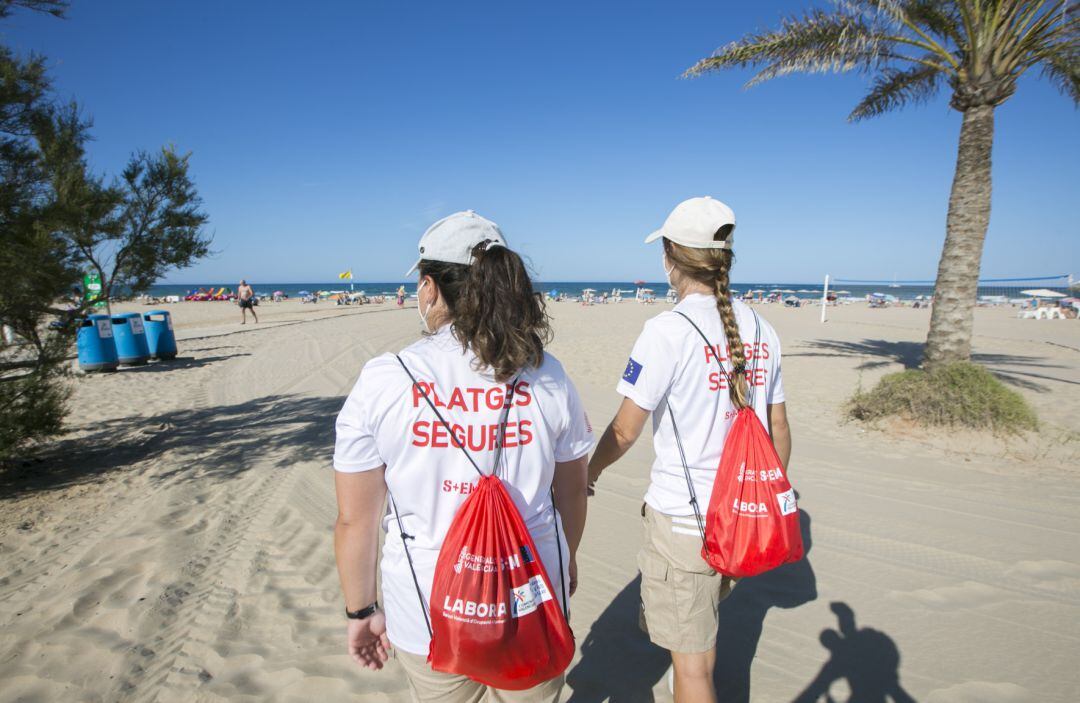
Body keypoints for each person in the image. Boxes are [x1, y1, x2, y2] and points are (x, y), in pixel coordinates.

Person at [333, 210, 593, 702]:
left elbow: (355, 521)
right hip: (532, 589)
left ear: (430, 287)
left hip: (427, 606)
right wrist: (568, 557)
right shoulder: (548, 374)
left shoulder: (387, 378)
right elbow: (572, 491)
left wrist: (361, 611)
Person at [587, 197, 790, 703]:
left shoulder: (667, 331)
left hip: (687, 521)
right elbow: (779, 430)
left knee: (693, 667)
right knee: (703, 641)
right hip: (739, 519)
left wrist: (587, 472)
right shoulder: (764, 328)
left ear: (670, 259)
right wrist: (760, 498)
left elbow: (625, 431)